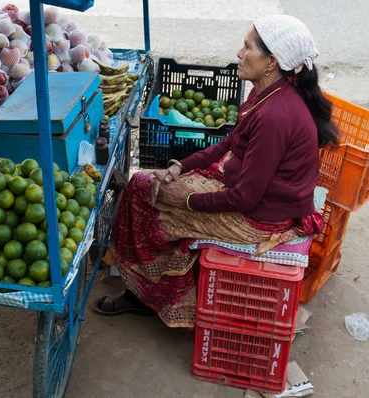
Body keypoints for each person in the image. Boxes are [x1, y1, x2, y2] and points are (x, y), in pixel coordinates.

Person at [91, 14, 339, 328]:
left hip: (261, 219)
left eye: (247, 47)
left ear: (271, 62)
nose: (239, 53)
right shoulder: (265, 93)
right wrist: (180, 166)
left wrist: (185, 201)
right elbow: (229, 143)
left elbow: (246, 197)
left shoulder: (276, 115)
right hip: (248, 193)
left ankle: (145, 297)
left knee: (144, 197)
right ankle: (150, 288)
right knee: (146, 184)